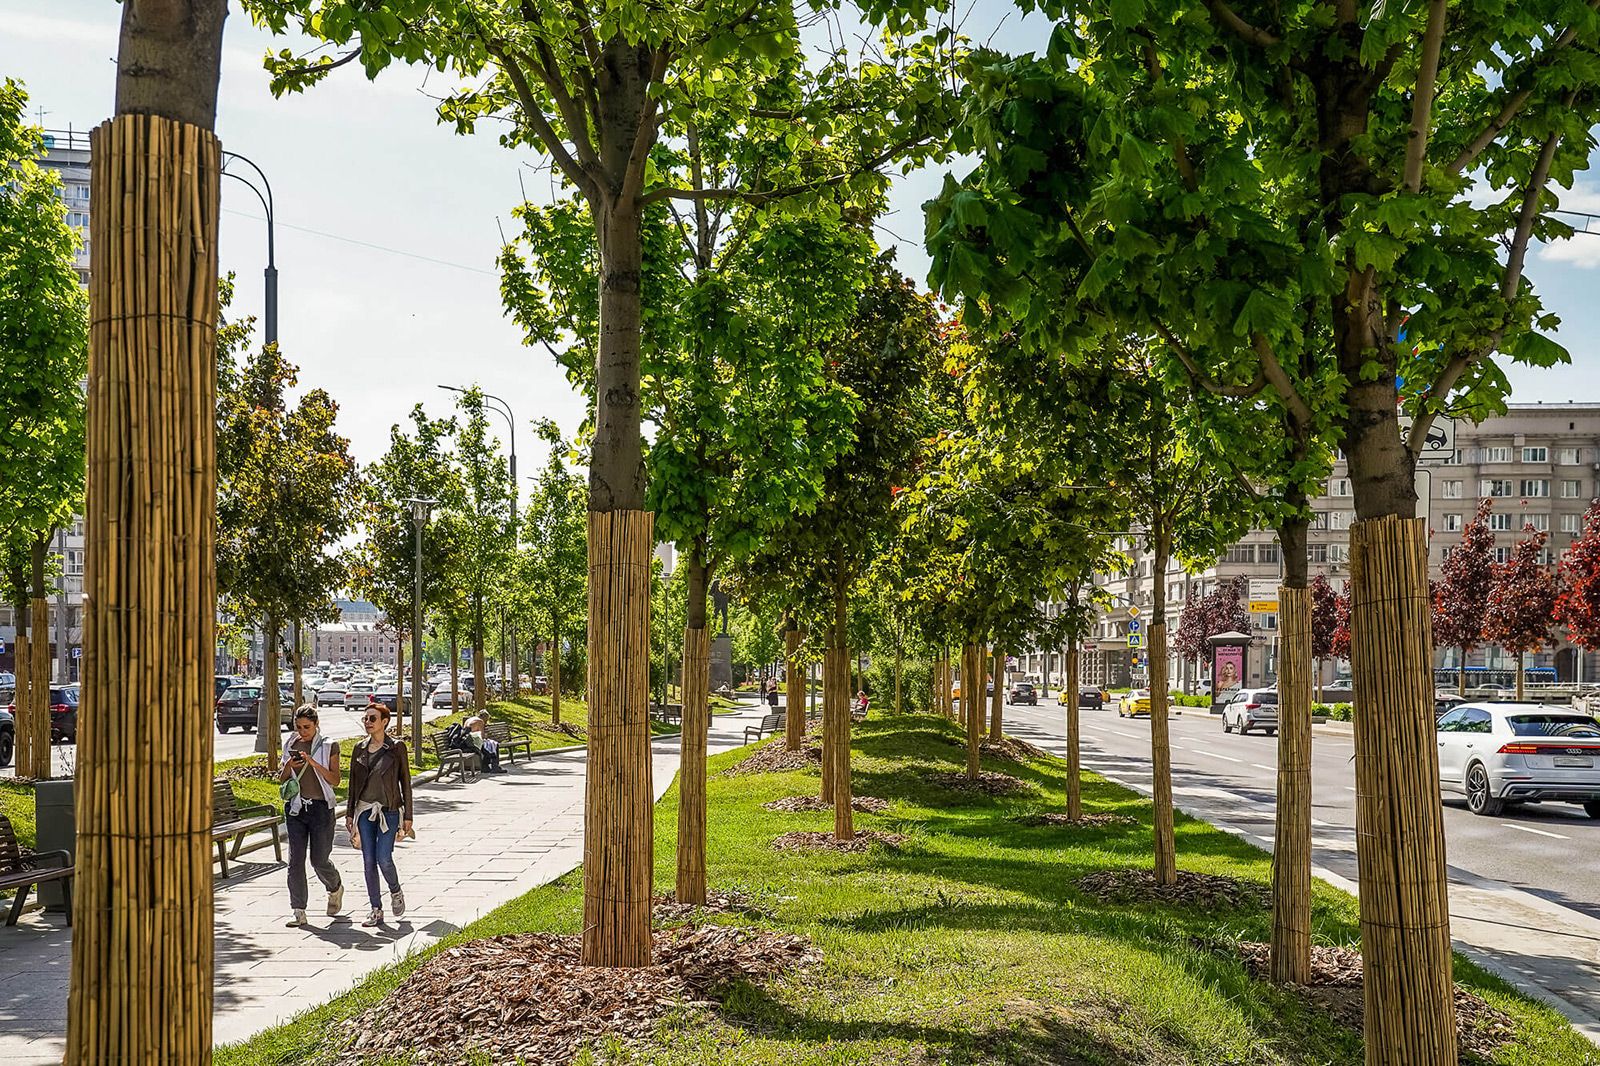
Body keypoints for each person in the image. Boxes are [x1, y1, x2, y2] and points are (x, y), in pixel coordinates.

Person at [346, 703, 414, 927]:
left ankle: (395, 891)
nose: (368, 722)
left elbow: (406, 782)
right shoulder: (359, 748)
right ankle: (376, 909)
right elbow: (353, 784)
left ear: (385, 721)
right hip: (365, 810)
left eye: (372, 719)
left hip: (390, 810)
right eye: (365, 718)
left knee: (383, 858)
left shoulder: (396, 748)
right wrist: (349, 814)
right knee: (368, 860)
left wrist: (408, 816)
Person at [277, 707, 343, 927]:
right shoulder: (291, 744)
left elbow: (335, 780)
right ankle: (299, 911)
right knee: (295, 861)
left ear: (316, 724)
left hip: (321, 810)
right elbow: (281, 779)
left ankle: (334, 887)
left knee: (319, 860)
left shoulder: (328, 745)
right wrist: (288, 765)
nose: (302, 732)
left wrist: (313, 764)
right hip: (296, 809)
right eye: (298, 727)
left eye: (307, 727)